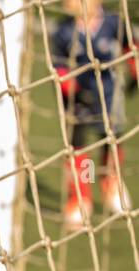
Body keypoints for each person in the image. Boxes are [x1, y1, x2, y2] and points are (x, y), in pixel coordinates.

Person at [51, 0, 138, 226]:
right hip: (78, 100)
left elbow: (131, 46)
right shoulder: (63, 31)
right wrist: (72, 90)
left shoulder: (113, 23)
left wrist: (134, 72)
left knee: (111, 143)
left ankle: (111, 183)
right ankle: (81, 197)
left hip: (108, 97)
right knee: (79, 148)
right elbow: (58, 68)